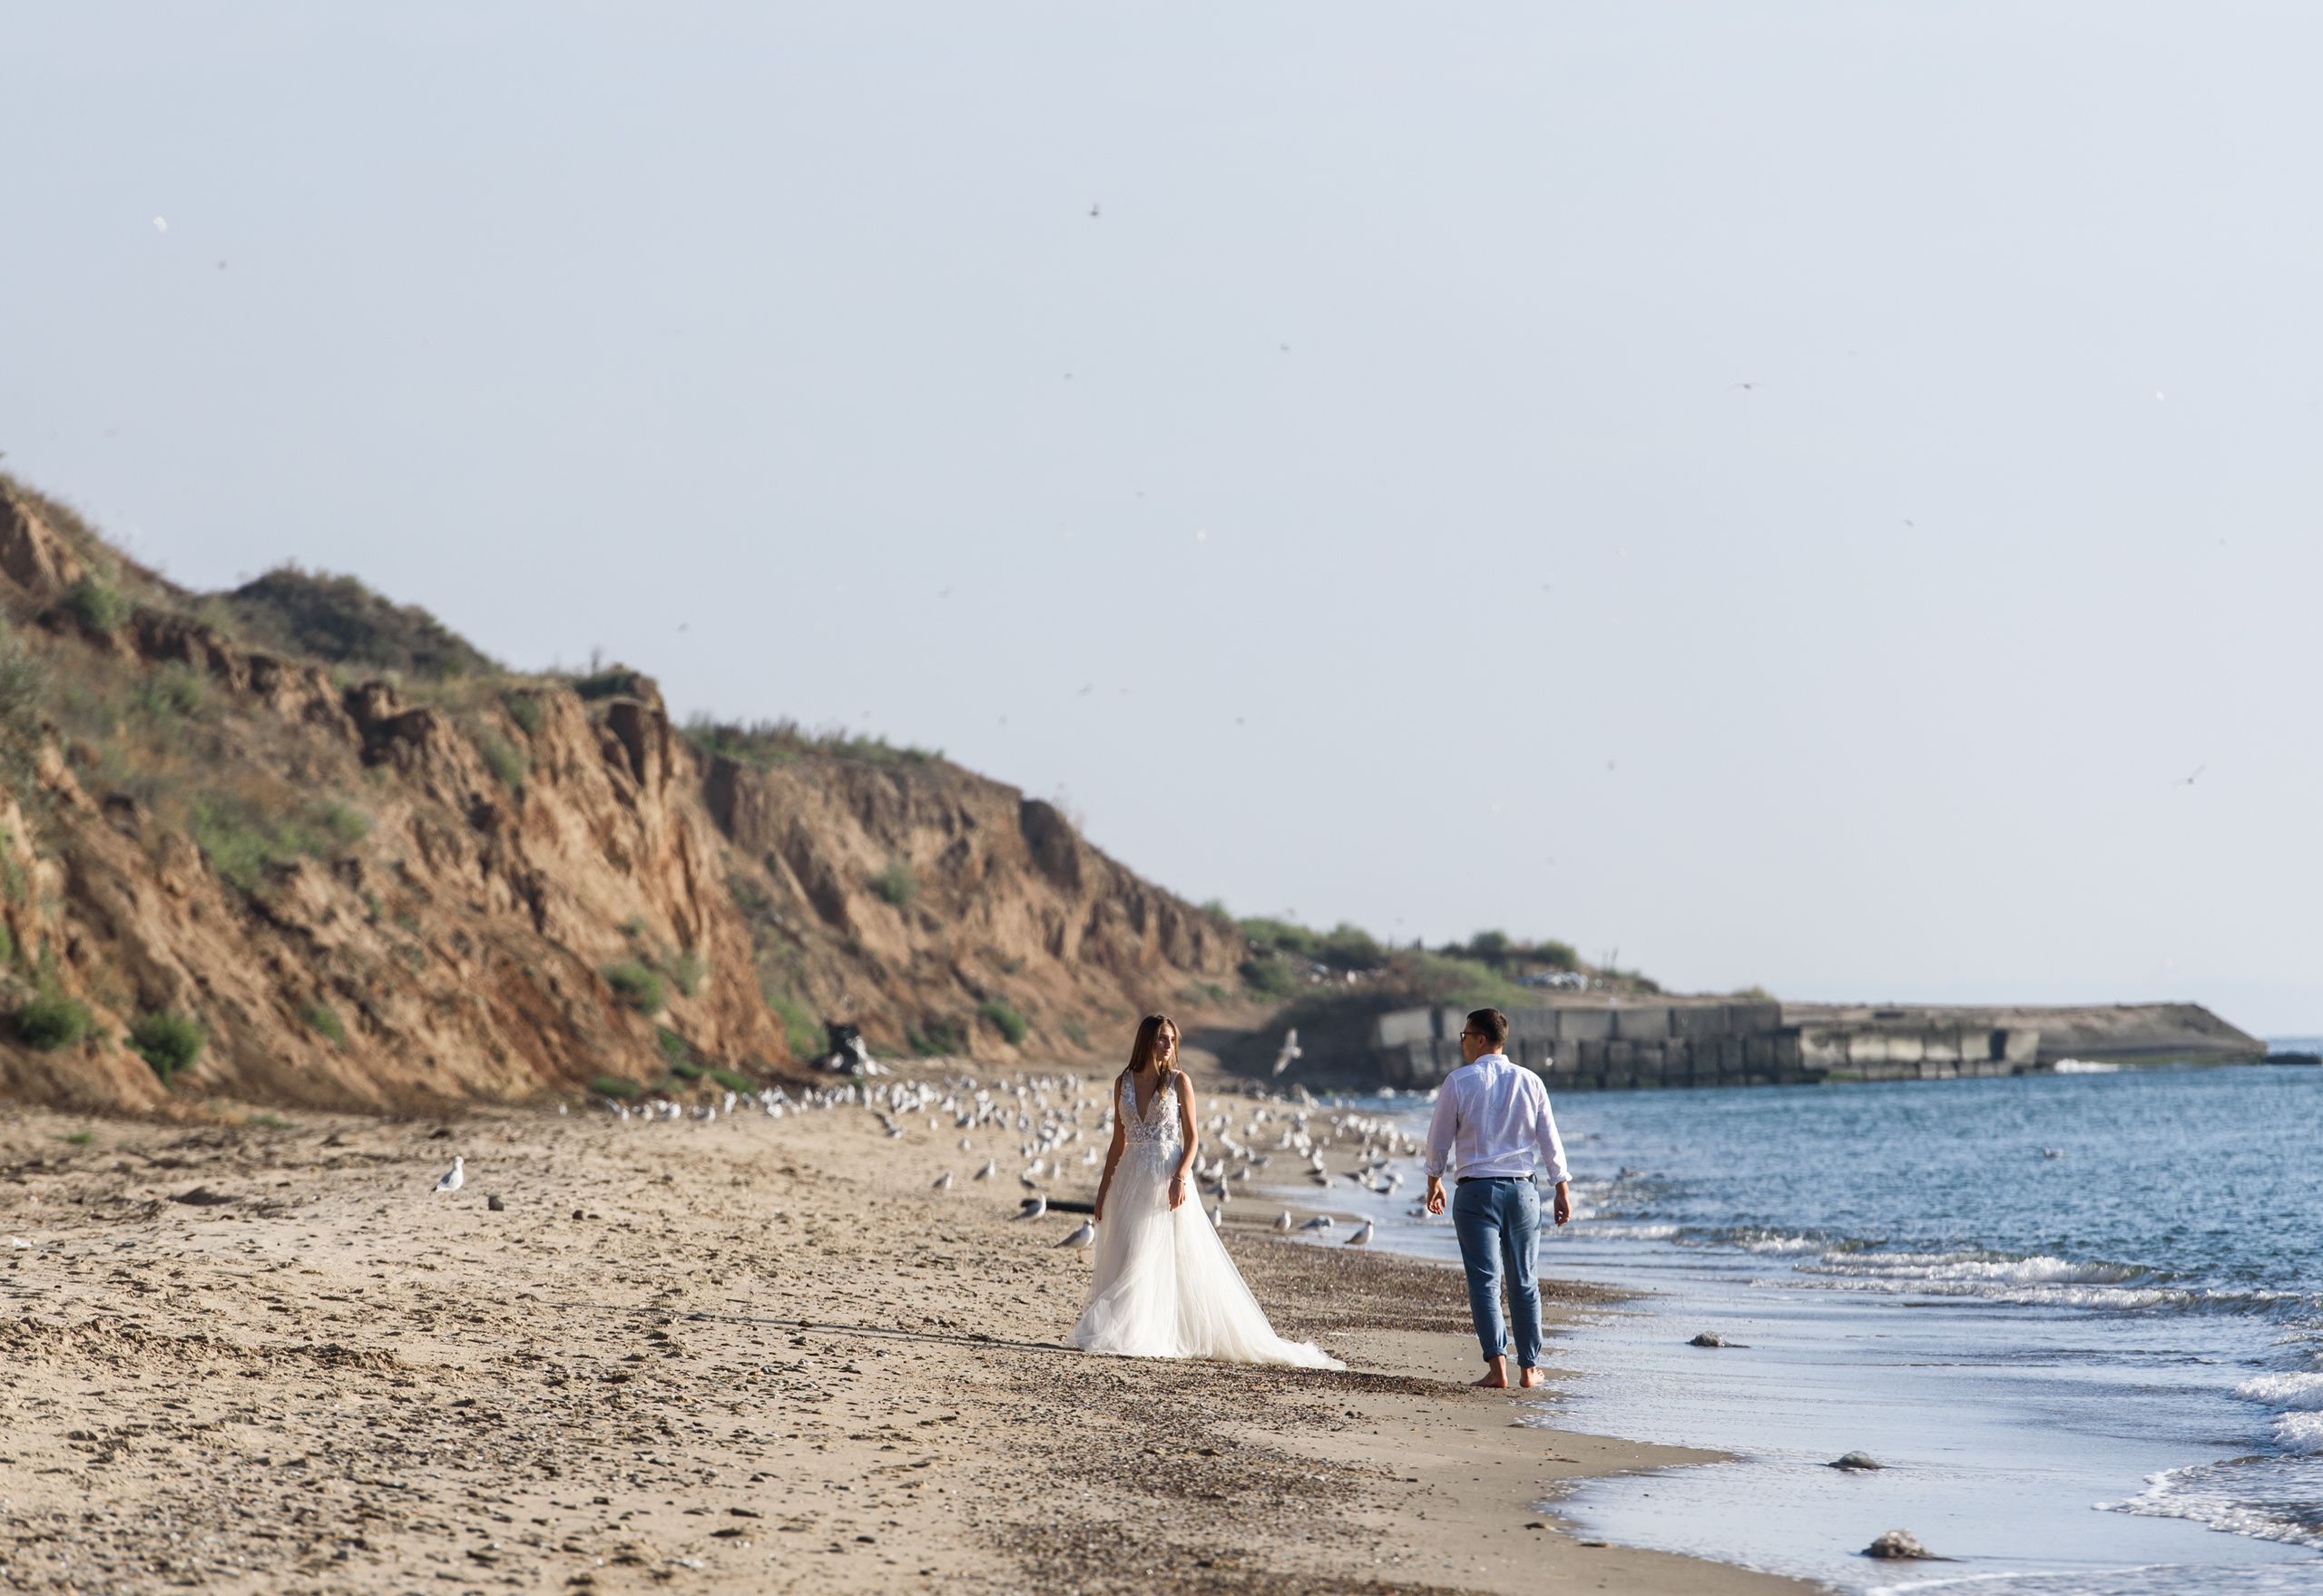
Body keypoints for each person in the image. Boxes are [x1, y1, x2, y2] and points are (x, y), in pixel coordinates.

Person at [1071, 1013, 1342, 1368]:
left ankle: (1143, 1332)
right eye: (1162, 1039)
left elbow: (1193, 1138)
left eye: (1172, 1040)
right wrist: (1103, 1188)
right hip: (1129, 1178)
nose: (1169, 1046)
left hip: (1167, 1177)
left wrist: (1181, 1177)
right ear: (1146, 1041)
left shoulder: (1180, 1081)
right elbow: (1117, 1142)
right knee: (1127, 1252)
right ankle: (1126, 1326)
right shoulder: (1122, 1082)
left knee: (1155, 1255)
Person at [1424, 1006, 1573, 1388]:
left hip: (1475, 1192)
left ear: (1480, 1040)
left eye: (1464, 1036)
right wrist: (1561, 1187)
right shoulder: (1530, 1081)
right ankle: (1529, 1369)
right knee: (1524, 1280)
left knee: (1484, 1282)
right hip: (1523, 1191)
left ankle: (1497, 1368)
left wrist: (1434, 1180)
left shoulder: (1458, 1082)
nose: (1461, 1043)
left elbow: (1439, 1137)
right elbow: (1549, 1139)